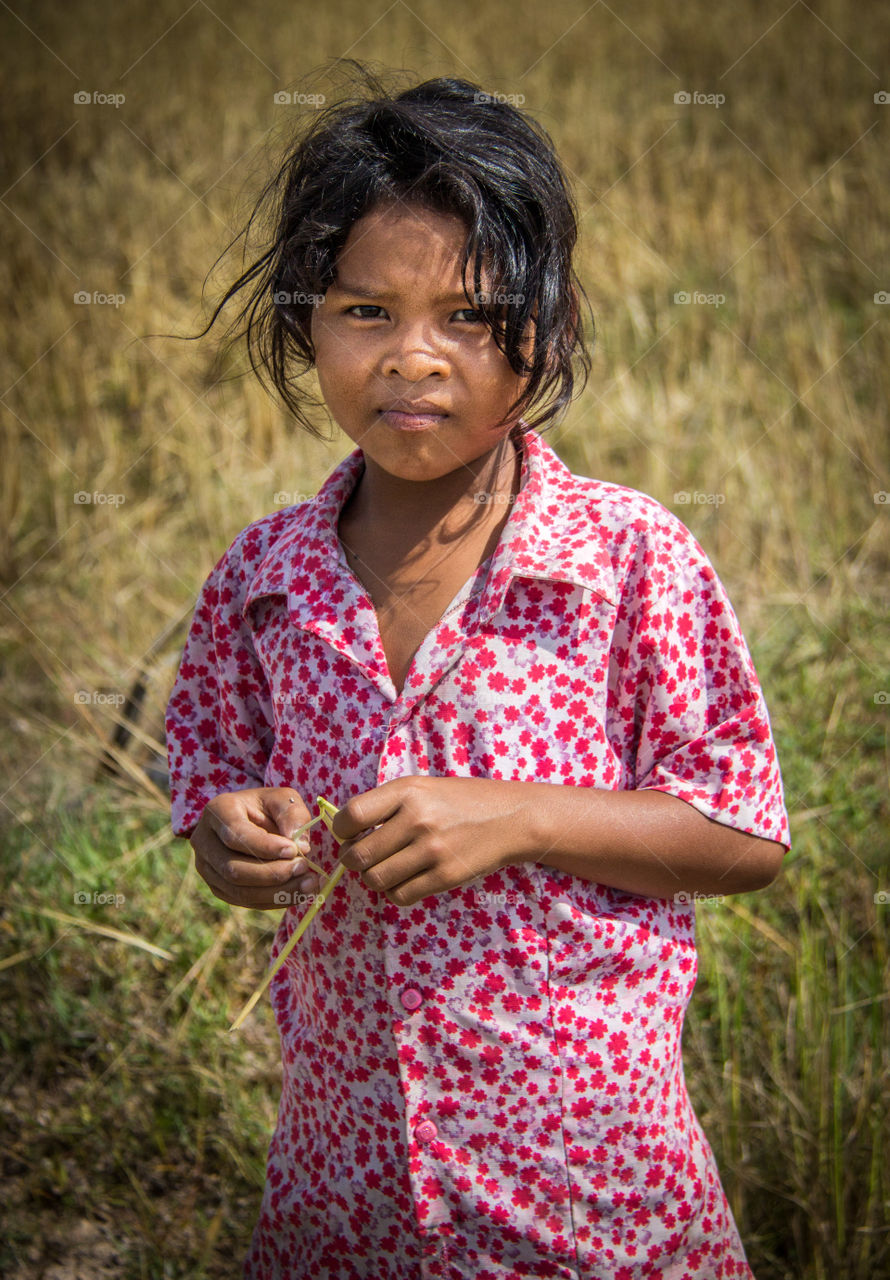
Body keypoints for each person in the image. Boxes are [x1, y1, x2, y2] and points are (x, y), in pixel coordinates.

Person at [165, 66, 790, 1280]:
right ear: (308, 322)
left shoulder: (626, 557)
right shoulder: (265, 577)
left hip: (586, 1197)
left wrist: (519, 819)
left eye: (465, 315)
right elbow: (211, 779)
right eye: (364, 312)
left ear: (544, 329)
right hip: (344, 1192)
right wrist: (228, 836)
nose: (413, 358)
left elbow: (743, 832)